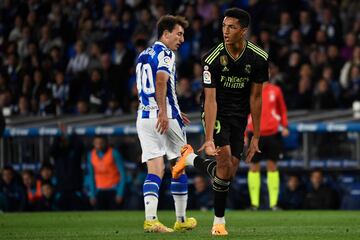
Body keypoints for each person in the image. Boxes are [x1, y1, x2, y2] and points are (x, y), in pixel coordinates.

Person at [172, 8, 268, 235]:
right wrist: (208, 139)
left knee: (228, 172)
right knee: (223, 162)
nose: (225, 31)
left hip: (239, 115)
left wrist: (256, 136)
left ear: (243, 31)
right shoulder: (212, 59)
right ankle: (218, 223)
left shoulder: (258, 58)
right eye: (224, 26)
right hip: (217, 112)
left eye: (231, 27)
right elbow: (210, 99)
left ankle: (189, 159)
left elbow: (256, 98)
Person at [135, 15, 196, 233]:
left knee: (155, 170)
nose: (181, 39)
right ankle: (180, 220)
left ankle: (151, 219)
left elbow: (145, 88)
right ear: (165, 33)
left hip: (144, 117)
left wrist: (173, 109)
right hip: (165, 117)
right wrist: (165, 111)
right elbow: (161, 80)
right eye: (178, 34)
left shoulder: (143, 55)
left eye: (183, 35)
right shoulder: (166, 53)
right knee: (179, 166)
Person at [246, 81, 289, 210]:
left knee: (272, 166)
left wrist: (285, 126)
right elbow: (244, 111)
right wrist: (243, 133)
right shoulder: (249, 89)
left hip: (273, 133)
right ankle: (254, 204)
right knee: (254, 167)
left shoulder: (276, 90)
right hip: (254, 133)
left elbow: (282, 110)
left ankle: (273, 204)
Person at [87, 135, 126, 210]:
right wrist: (92, 194)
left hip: (113, 191)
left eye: (101, 143)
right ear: (93, 144)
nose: (99, 145)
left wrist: (120, 193)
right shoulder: (91, 155)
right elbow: (91, 176)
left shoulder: (114, 153)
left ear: (106, 143)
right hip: (99, 191)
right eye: (96, 143)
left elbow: (123, 175)